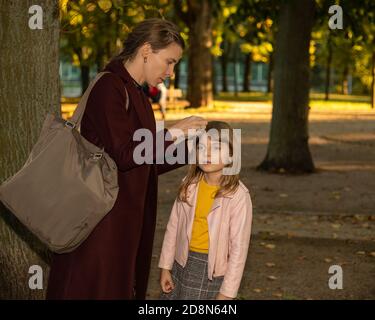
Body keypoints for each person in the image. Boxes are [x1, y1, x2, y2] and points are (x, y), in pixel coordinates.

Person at [46, 18, 207, 300]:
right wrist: (172, 131)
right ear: (146, 50)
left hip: (123, 223)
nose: (171, 72)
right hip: (100, 225)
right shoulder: (109, 87)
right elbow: (124, 154)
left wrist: (194, 151)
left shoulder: (138, 95)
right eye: (169, 62)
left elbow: (144, 160)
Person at [158, 121, 253, 300]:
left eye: (216, 148)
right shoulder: (189, 184)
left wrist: (226, 294)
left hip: (210, 269)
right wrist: (165, 267)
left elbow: (238, 249)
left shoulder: (238, 196)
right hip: (182, 261)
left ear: (232, 155)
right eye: (201, 147)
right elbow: (173, 227)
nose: (207, 153)